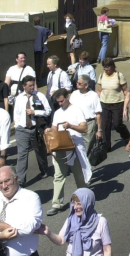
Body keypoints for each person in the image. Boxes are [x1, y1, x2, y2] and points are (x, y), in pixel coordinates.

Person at [0, 166, 43, 256]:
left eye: (7, 181)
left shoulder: (31, 197)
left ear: (16, 179)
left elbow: (29, 226)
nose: (4, 186)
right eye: (0, 183)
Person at [47, 89, 92, 217]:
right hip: (60, 147)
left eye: (62, 101)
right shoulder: (57, 113)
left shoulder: (76, 110)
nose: (60, 104)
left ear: (68, 97)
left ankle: (84, 198)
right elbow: (55, 127)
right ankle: (57, 204)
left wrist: (71, 126)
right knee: (59, 175)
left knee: (79, 175)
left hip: (74, 146)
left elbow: (84, 128)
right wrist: (50, 130)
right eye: (58, 102)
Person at [40, 188, 112, 256]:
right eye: (74, 203)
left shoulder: (101, 222)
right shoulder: (71, 219)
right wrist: (48, 233)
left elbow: (107, 250)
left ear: (88, 204)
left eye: (79, 204)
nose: (75, 207)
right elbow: (61, 240)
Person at [13, 76, 52, 185]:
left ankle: (44, 169)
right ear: (24, 86)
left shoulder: (39, 96)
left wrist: (35, 112)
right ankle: (20, 181)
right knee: (22, 154)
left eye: (33, 85)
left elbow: (48, 111)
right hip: (22, 129)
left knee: (40, 152)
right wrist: (17, 125)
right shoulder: (19, 98)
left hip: (36, 129)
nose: (32, 87)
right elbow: (16, 113)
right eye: (30, 86)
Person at [96, 58, 130, 152]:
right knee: (105, 125)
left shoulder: (119, 75)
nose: (106, 69)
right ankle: (107, 146)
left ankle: (126, 136)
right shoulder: (101, 76)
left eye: (108, 66)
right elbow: (99, 90)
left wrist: (126, 105)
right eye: (105, 67)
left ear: (112, 66)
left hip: (117, 103)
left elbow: (125, 91)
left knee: (117, 124)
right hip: (104, 103)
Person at [71, 75, 104, 151]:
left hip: (89, 124)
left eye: (80, 83)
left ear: (86, 86)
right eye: (77, 83)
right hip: (76, 124)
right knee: (76, 148)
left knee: (86, 149)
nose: (77, 85)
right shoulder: (74, 94)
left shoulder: (93, 95)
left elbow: (98, 114)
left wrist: (99, 130)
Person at [33, 16, 53, 85]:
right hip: (41, 48)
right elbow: (51, 33)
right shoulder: (43, 29)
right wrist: (46, 38)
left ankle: (36, 76)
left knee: (35, 63)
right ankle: (40, 76)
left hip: (34, 48)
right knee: (41, 63)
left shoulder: (32, 29)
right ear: (39, 21)